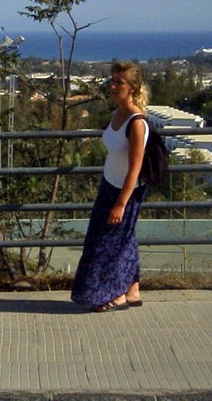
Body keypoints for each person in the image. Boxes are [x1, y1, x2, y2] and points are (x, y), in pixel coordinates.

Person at [71, 60, 149, 313]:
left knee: (104, 243)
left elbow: (135, 168)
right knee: (123, 239)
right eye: (112, 81)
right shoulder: (117, 113)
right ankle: (132, 290)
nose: (113, 86)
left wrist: (120, 203)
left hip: (124, 192)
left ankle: (116, 294)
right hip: (109, 185)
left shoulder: (137, 123)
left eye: (120, 82)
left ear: (134, 88)